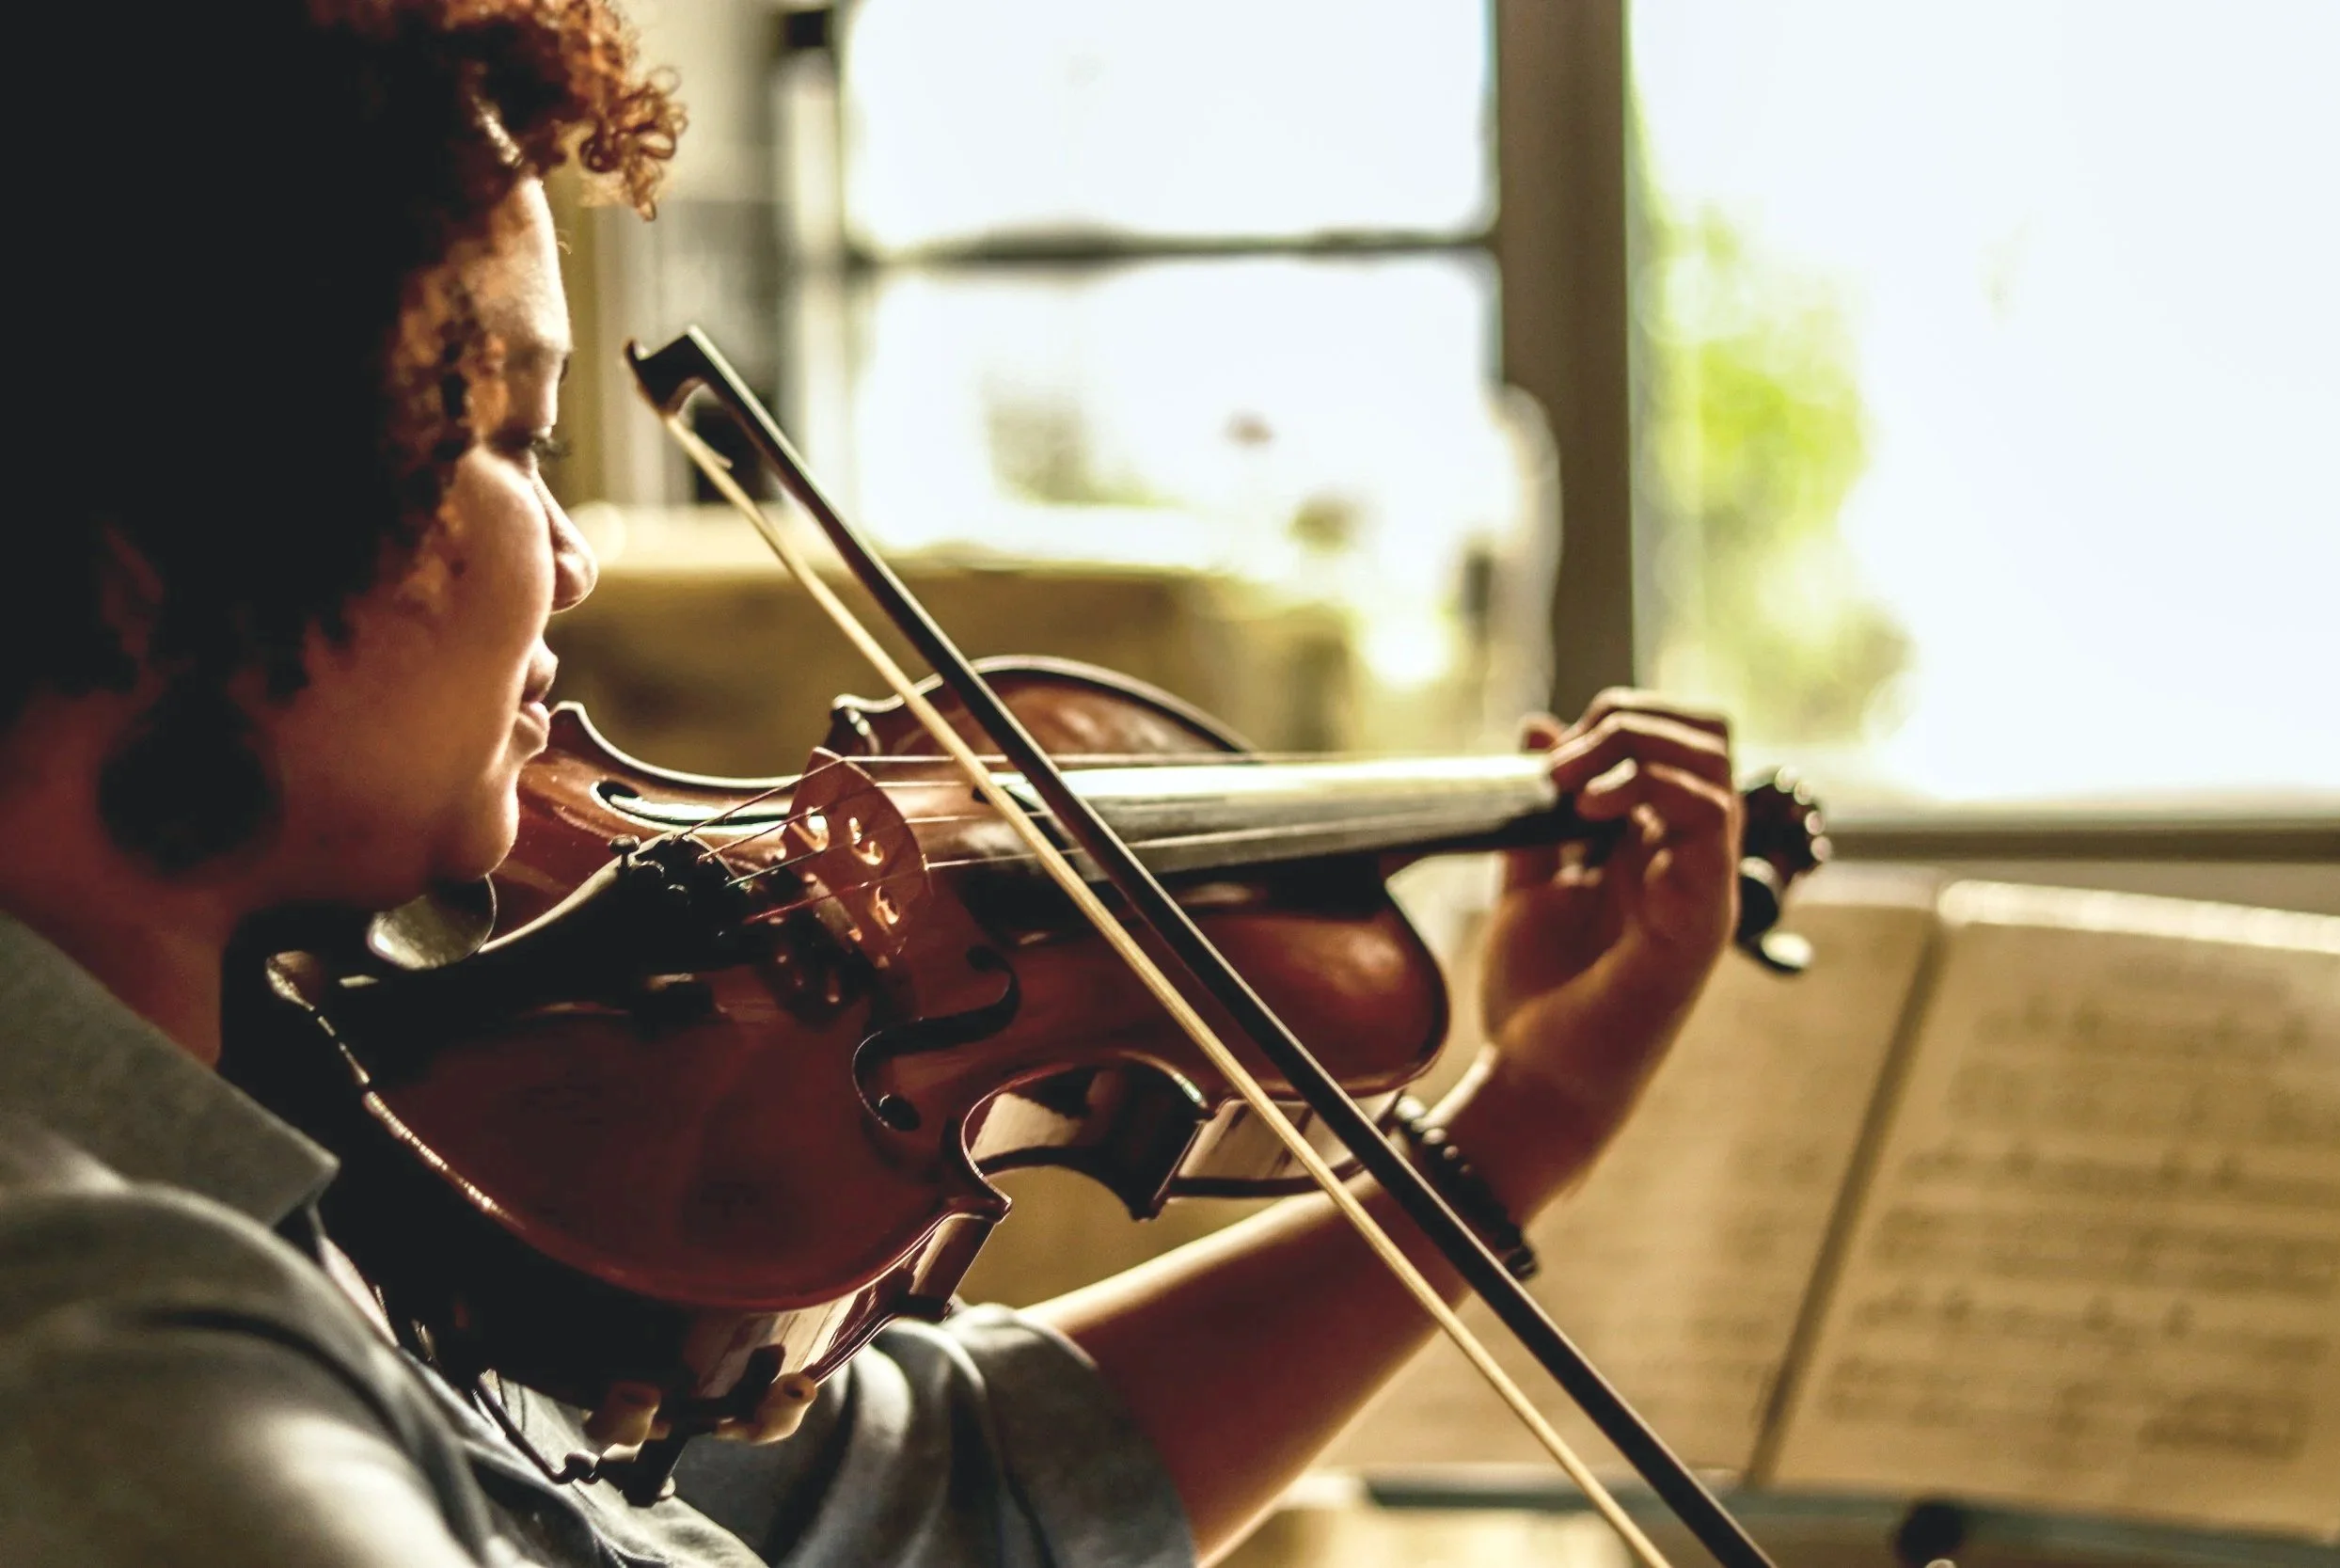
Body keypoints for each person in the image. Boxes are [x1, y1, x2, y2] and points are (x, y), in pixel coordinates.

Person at [0, 3, 1745, 1564]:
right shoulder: (109, 1352)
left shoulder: (312, 1173)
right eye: (511, 439)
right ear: (164, 541)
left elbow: (956, 1495)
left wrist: (1527, 1119)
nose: (572, 565)